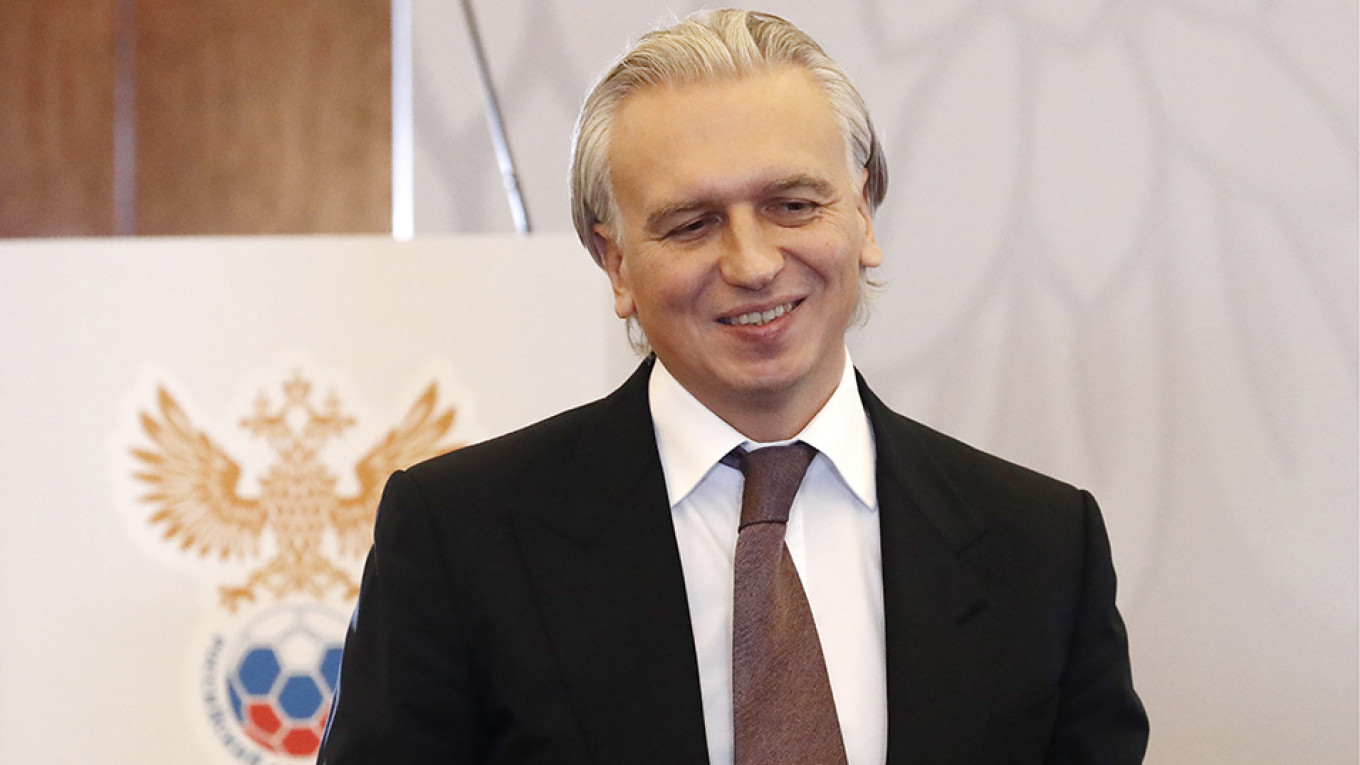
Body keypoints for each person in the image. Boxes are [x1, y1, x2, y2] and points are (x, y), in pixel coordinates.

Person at [317, 9, 1148, 764]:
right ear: (616, 262)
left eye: (793, 205)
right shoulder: (457, 540)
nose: (752, 264)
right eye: (692, 224)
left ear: (862, 214)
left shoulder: (1044, 548)